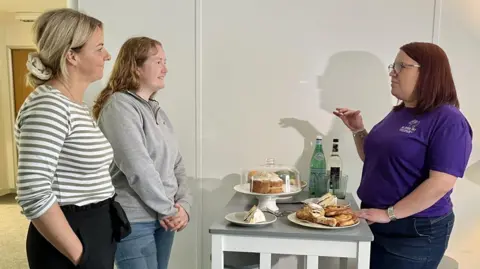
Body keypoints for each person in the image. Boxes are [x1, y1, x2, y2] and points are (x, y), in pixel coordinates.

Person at [334, 42, 472, 269]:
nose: (392, 72)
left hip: (413, 232)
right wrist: (358, 130)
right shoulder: (400, 112)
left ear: (427, 72)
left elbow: (441, 182)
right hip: (377, 221)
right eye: (393, 65)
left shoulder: (448, 119)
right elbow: (374, 158)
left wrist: (390, 214)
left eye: (401, 66)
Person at [14, 8, 130, 269]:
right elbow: (33, 192)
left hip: (92, 229)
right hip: (70, 239)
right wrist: (81, 255)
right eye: (99, 48)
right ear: (71, 55)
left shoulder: (72, 105)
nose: (107, 55)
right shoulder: (48, 106)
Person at [92, 36, 192, 269]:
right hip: (135, 220)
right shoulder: (119, 106)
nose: (165, 69)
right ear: (135, 67)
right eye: (158, 62)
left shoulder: (156, 110)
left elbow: (177, 163)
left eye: (165, 62)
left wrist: (184, 206)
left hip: (165, 217)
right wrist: (169, 210)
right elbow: (138, 168)